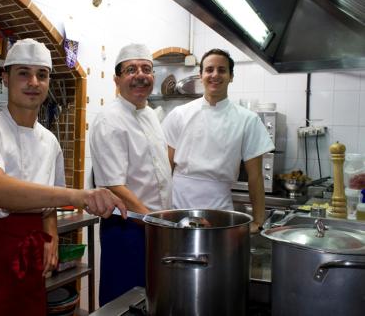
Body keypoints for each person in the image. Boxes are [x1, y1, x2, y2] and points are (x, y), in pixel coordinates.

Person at [0, 38, 126, 316]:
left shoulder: (49, 141)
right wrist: (79, 196)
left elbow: (47, 202)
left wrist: (51, 235)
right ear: (5, 78)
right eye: (23, 73)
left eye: (42, 75)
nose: (33, 82)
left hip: (32, 253)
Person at [90, 43, 173, 306]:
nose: (140, 75)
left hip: (153, 225)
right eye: (130, 70)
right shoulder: (109, 119)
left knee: (152, 300)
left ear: (153, 78)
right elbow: (114, 187)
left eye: (146, 69)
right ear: (117, 80)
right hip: (127, 227)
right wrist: (158, 224)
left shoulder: (150, 115)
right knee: (125, 303)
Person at [162, 48, 274, 233]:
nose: (215, 75)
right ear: (200, 76)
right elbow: (166, 169)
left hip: (220, 211)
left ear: (231, 76)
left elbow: (255, 177)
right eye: (209, 70)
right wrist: (163, 212)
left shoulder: (248, 120)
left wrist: (258, 220)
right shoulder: (179, 115)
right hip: (177, 209)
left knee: (216, 260)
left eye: (222, 70)